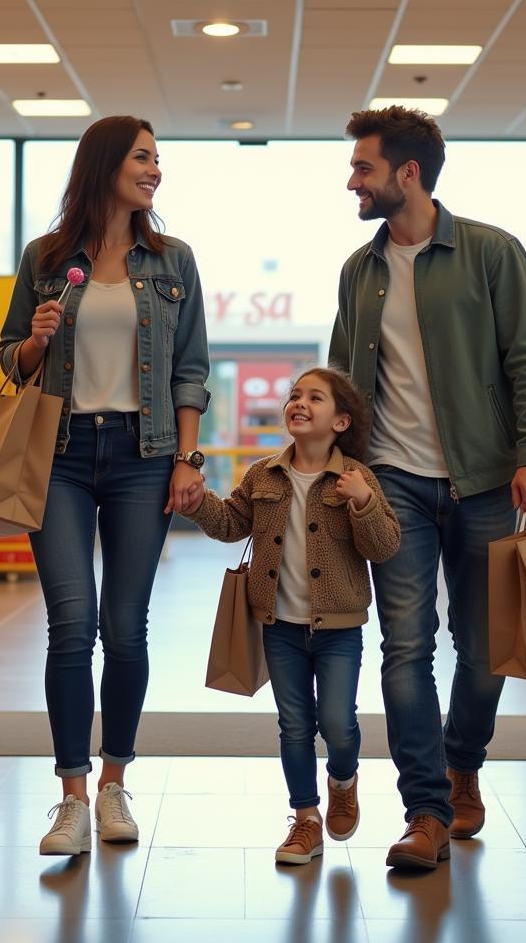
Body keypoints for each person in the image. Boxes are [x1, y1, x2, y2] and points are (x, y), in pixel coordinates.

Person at [329, 106, 526, 871]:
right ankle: (425, 810)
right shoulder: (358, 273)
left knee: (486, 650)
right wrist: (334, 466)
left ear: (408, 174)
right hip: (391, 482)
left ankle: (465, 761)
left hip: (488, 480)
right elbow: (342, 381)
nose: (352, 182)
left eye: (363, 168)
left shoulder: (491, 253)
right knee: (404, 647)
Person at [0, 115, 211, 857]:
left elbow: (190, 370)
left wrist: (189, 459)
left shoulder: (173, 261)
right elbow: (8, 360)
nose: (155, 170)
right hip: (55, 455)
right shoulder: (46, 258)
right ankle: (71, 797)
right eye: (143, 157)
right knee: (70, 623)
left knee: (125, 627)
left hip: (142, 454)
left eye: (158, 158)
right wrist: (35, 339)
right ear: (105, 165)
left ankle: (116, 783)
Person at [183, 367, 400, 864]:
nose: (299, 403)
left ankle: (343, 779)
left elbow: (385, 546)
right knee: (295, 724)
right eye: (295, 395)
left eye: (315, 398)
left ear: (341, 421)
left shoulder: (356, 479)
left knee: (339, 723)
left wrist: (363, 503)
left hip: (339, 628)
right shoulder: (264, 474)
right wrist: (197, 505)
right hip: (278, 625)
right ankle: (305, 819)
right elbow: (233, 521)